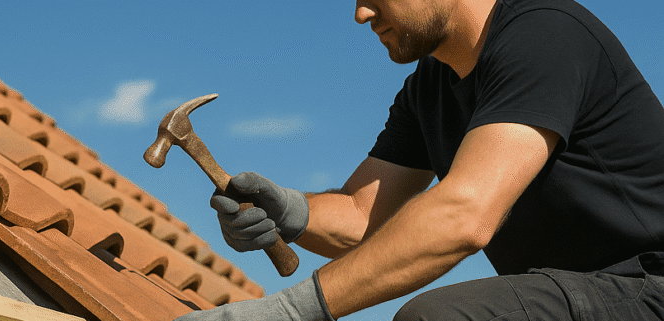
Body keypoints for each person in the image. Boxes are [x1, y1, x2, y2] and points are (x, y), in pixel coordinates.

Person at [176, 0, 664, 319]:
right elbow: (363, 218)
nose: (361, 13)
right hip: (580, 293)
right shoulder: (429, 88)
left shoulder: (544, 35)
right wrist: (289, 211)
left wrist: (288, 312)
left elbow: (464, 216)